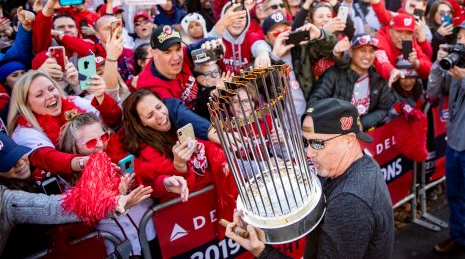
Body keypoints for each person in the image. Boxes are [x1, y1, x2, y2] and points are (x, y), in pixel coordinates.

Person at [225, 98, 394, 259]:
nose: (309, 152)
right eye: (306, 142)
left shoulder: (349, 201)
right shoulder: (361, 162)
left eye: (318, 143)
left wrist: (262, 252)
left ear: (349, 140)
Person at [0, 132, 152, 257]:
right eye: (8, 163)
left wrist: (115, 198)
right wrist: (113, 202)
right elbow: (56, 208)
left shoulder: (34, 176)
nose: (19, 163)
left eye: (17, 154)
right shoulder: (9, 199)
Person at [122, 89, 237, 223]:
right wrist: (179, 166)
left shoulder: (181, 125)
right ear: (142, 123)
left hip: (219, 204)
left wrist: (219, 154)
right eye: (149, 115)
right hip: (191, 219)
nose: (160, 115)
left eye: (159, 107)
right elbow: (157, 183)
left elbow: (209, 150)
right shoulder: (145, 151)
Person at [427, 19, 465, 255]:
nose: (462, 42)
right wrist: (438, 66)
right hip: (454, 145)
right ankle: (462, 238)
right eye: (459, 38)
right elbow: (432, 92)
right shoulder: (458, 63)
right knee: (455, 197)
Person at [308, 34, 393, 130]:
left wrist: (362, 124)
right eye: (363, 50)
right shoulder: (334, 74)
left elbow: (383, 108)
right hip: (335, 132)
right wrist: (338, 123)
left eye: (371, 51)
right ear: (351, 52)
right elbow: (314, 102)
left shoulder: (379, 78)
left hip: (365, 133)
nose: (368, 56)